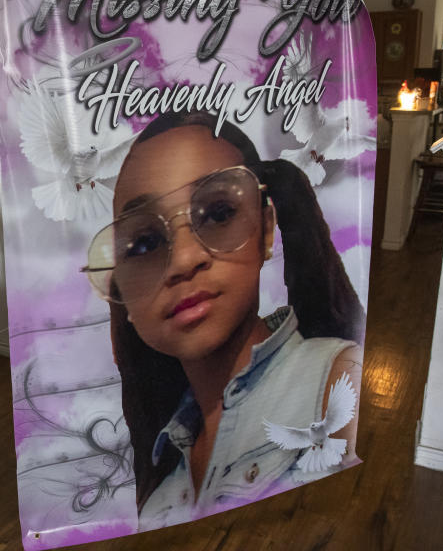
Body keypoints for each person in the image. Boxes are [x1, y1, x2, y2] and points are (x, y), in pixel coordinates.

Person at [82, 111, 365, 529]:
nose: (182, 260)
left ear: (267, 228)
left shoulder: (335, 382)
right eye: (144, 242)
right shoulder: (161, 482)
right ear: (120, 288)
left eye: (216, 214)